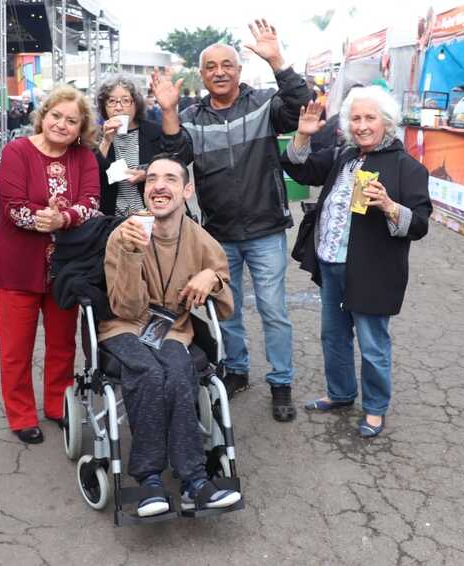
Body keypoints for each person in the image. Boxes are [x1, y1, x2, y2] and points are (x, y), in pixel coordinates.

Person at [152, 19, 314, 422]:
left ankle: (281, 383)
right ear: (202, 74)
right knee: (228, 309)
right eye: (211, 67)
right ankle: (237, 370)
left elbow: (298, 104)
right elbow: (174, 154)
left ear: (239, 71)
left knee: (274, 310)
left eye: (228, 64)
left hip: (265, 230)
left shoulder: (262, 104)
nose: (220, 72)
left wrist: (277, 60)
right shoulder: (192, 116)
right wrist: (169, 110)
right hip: (218, 234)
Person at [282, 88, 432, 438]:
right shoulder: (344, 157)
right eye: (356, 118)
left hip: (373, 271)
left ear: (387, 122)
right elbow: (300, 170)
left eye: (370, 118)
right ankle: (340, 393)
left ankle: (375, 408)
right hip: (332, 263)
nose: (362, 126)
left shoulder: (406, 167)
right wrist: (303, 134)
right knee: (333, 336)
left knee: (372, 343)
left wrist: (391, 207)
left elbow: (420, 223)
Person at [100, 153, 240, 517]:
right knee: (149, 372)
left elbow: (226, 305)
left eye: (170, 179)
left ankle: (194, 479)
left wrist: (213, 278)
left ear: (186, 190)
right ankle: (149, 480)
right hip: (124, 328)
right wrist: (131, 254)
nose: (159, 185)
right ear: (145, 190)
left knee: (178, 374)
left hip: (172, 330)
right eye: (152, 180)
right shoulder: (123, 234)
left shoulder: (200, 238)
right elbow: (126, 309)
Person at [0, 85, 100, 444]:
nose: (62, 125)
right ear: (44, 114)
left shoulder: (84, 157)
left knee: (62, 343)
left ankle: (58, 405)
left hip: (67, 267)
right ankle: (21, 415)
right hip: (17, 265)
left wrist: (64, 218)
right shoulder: (17, 151)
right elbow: (11, 203)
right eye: (56, 115)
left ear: (81, 127)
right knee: (15, 348)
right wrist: (45, 218)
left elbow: (90, 200)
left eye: (72, 120)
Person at [95, 74, 164, 217]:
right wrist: (106, 141)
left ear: (136, 104)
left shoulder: (155, 132)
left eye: (126, 101)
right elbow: (94, 175)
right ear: (104, 106)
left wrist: (147, 175)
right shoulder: (96, 137)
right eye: (112, 101)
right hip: (112, 218)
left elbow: (172, 165)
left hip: (150, 215)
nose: (118, 107)